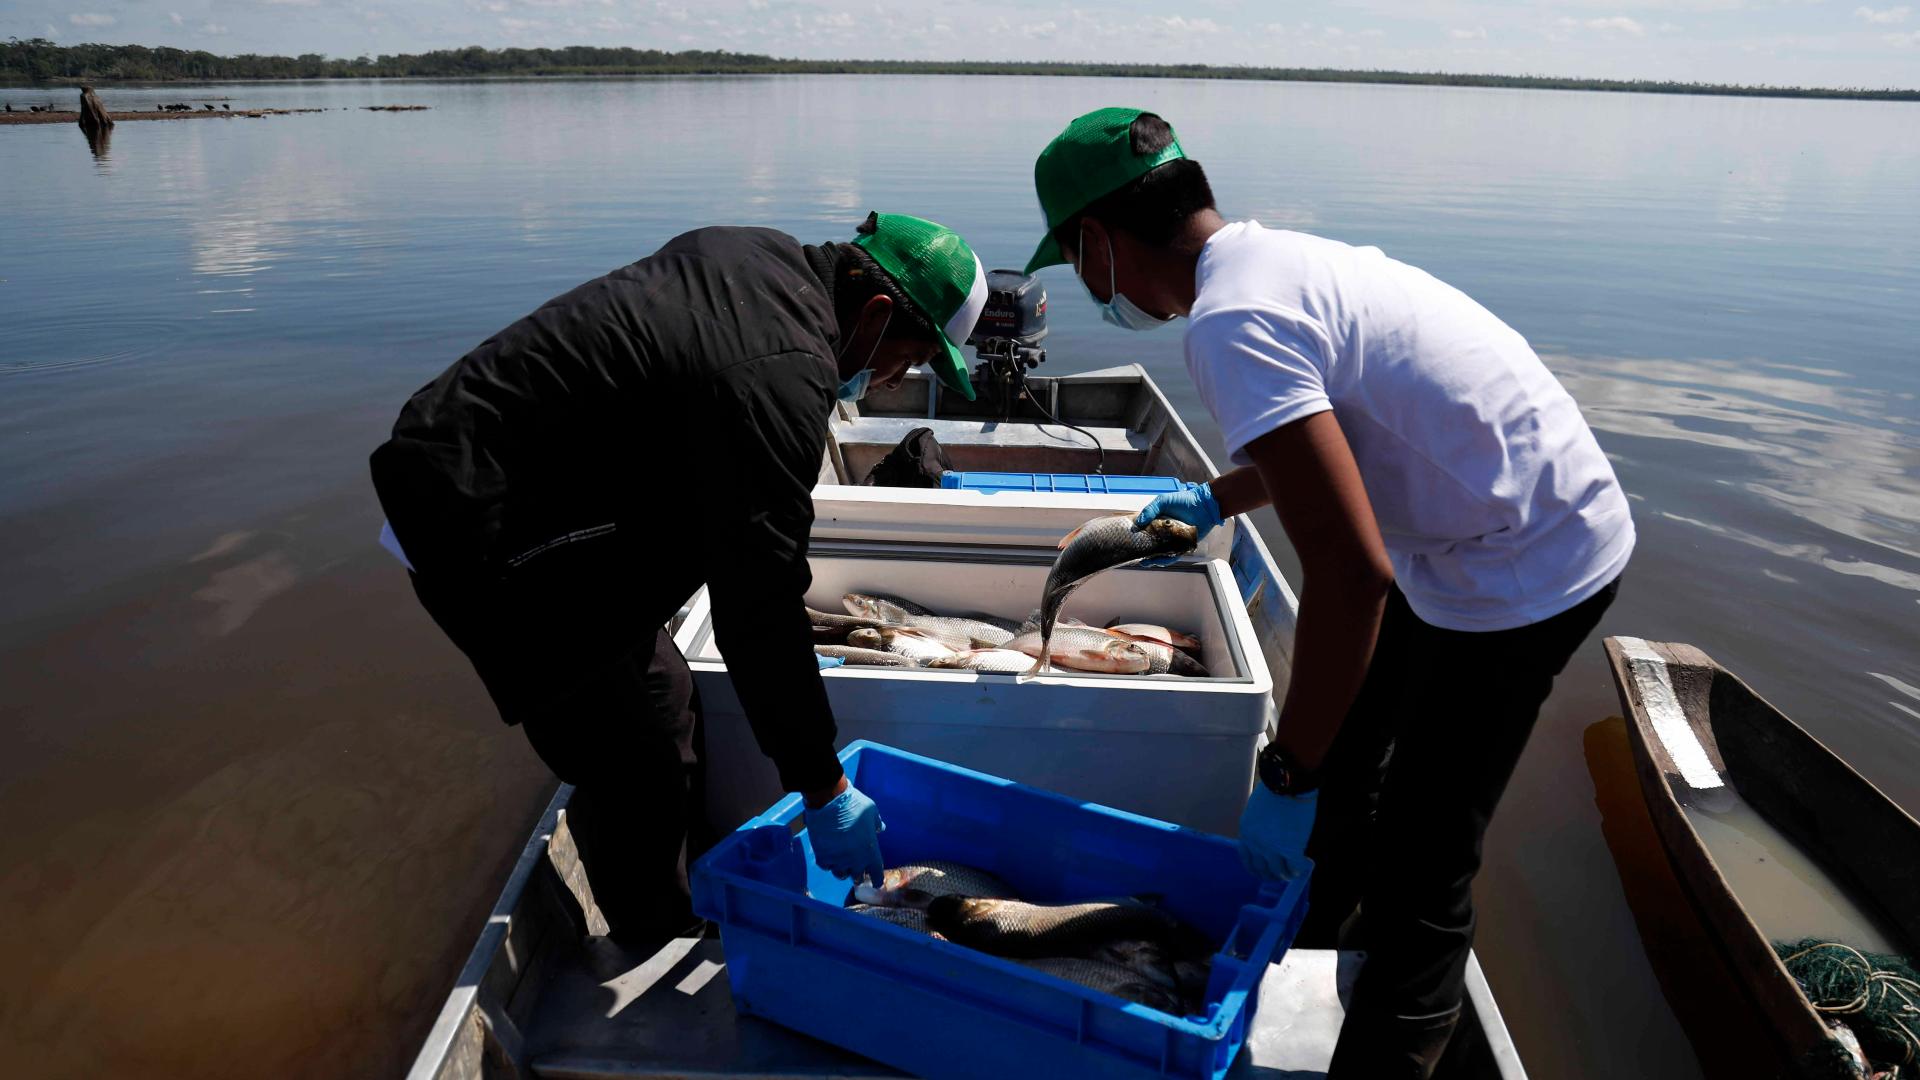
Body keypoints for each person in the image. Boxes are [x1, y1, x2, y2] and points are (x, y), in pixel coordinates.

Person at [1025, 108, 1633, 1077]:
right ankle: (1310, 938)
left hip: (1529, 560)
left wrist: (1284, 775)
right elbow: (1334, 440)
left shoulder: (1230, 322)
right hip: (1478, 520)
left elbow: (1353, 577)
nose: (1088, 285)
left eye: (1074, 261)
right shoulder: (1268, 264)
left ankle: (1394, 1036)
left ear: (1098, 242)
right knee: (1349, 757)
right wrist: (1219, 497)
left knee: (1427, 860)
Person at [370, 213, 989, 952]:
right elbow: (758, 606)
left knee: (666, 695)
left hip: (536, 478)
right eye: (908, 362)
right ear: (877, 313)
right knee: (632, 762)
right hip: (477, 516)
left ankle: (683, 890)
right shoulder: (782, 370)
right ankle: (656, 937)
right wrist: (822, 786)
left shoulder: (763, 257)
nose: (892, 382)